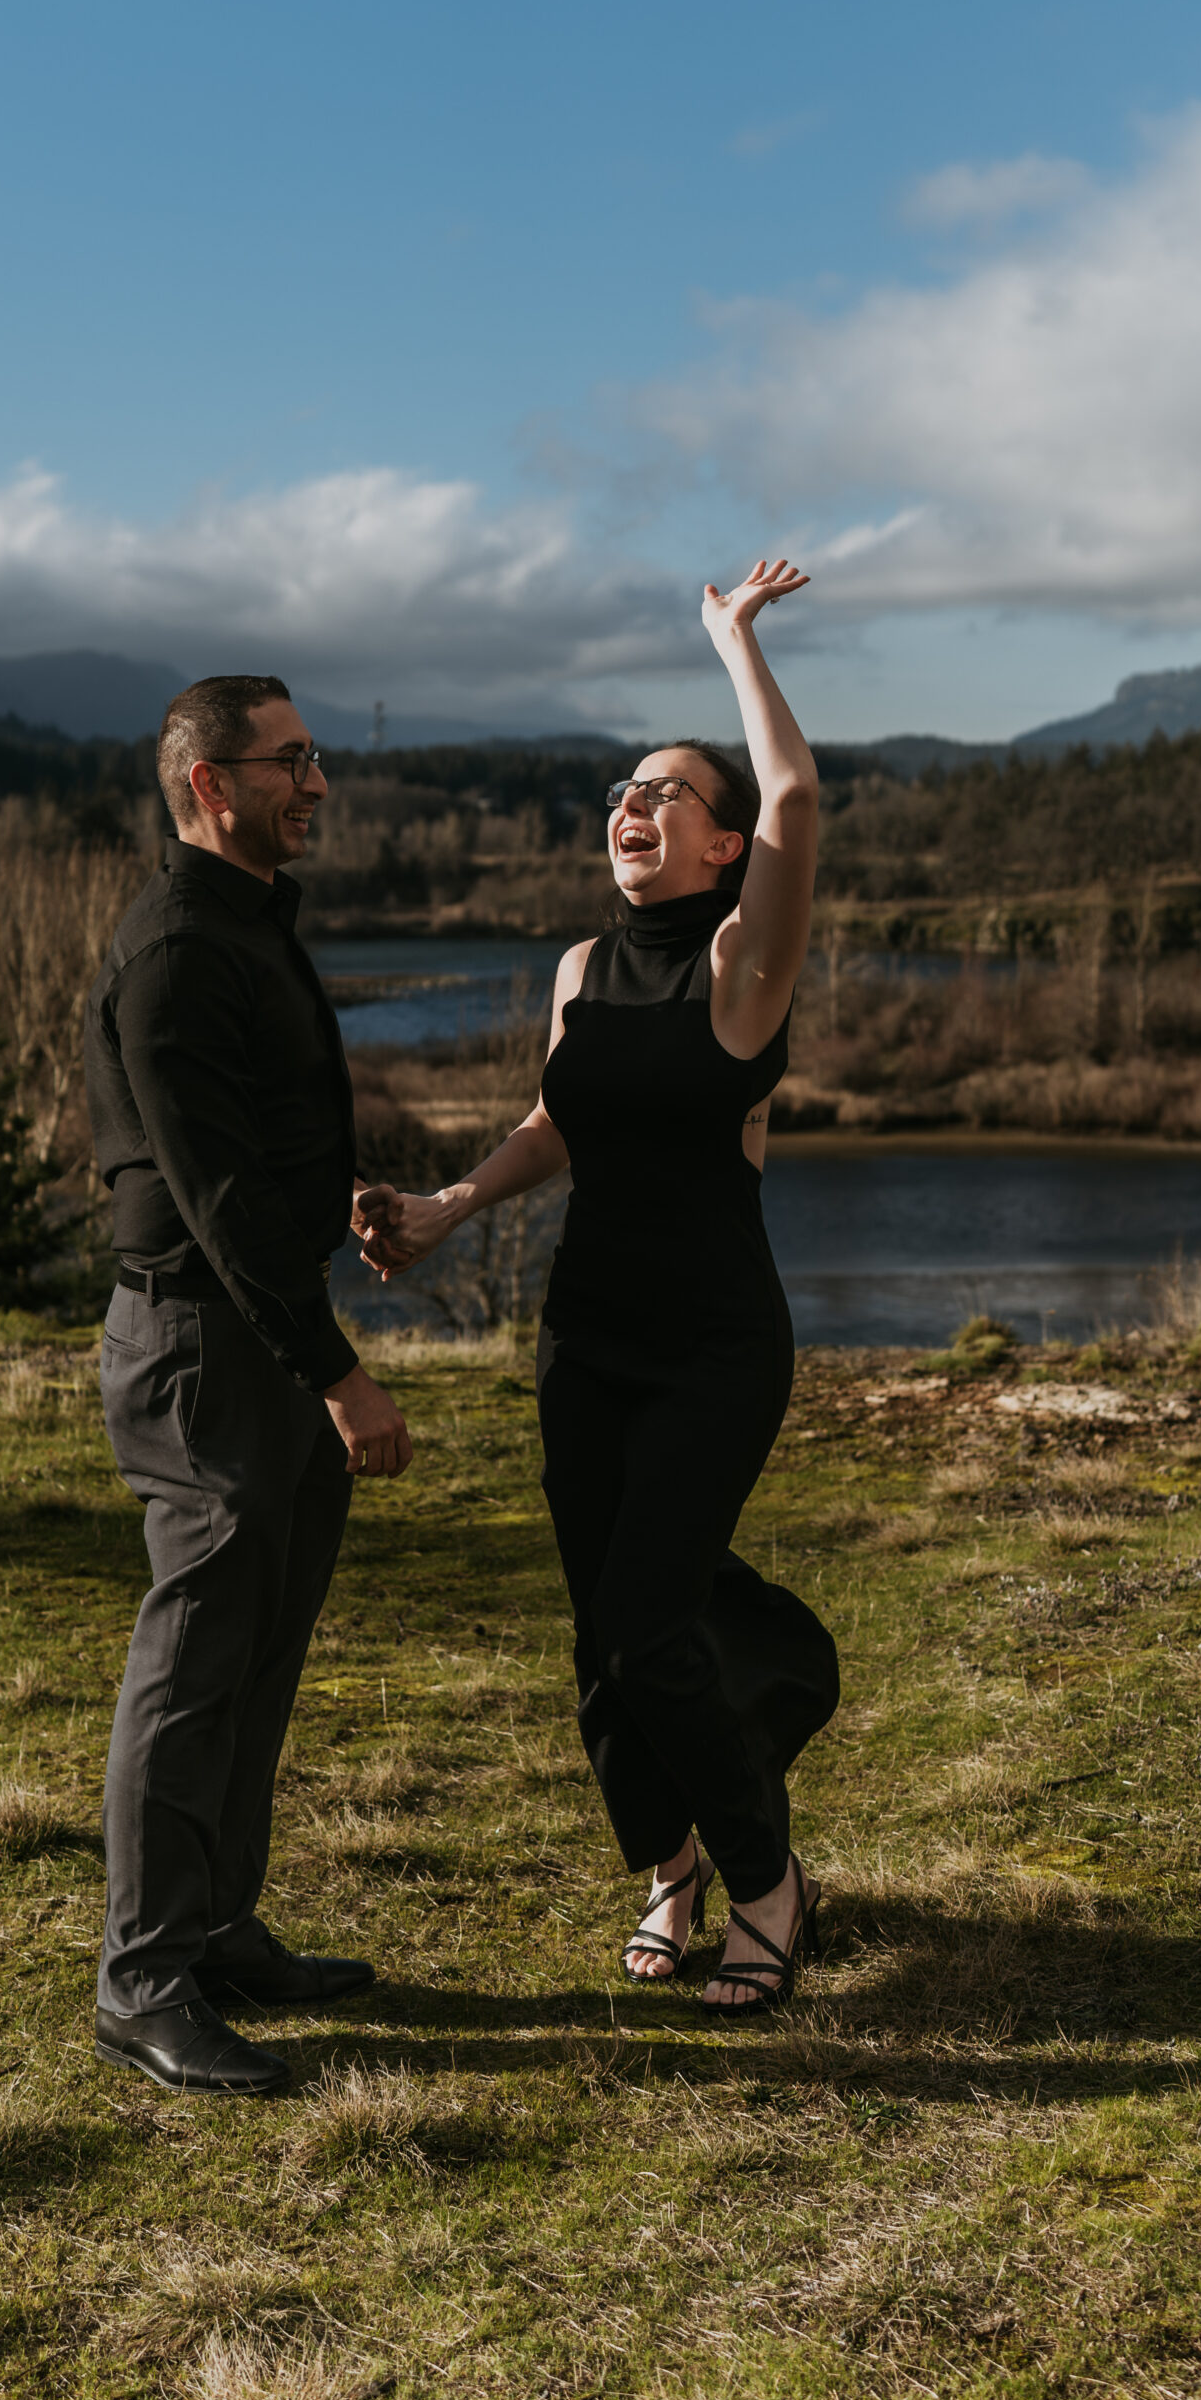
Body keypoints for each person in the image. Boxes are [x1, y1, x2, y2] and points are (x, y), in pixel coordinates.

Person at [360, 563, 839, 2016]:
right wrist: (448, 1205)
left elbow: (803, 805)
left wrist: (728, 638)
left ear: (720, 848)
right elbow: (562, 1121)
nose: (630, 807)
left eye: (666, 794)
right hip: (592, 1341)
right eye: (621, 792)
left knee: (647, 1624)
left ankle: (768, 1884)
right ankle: (669, 1862)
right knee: (604, 1643)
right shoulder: (579, 969)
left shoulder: (741, 972)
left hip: (713, 1348)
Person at [84, 674, 412, 2097]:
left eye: (315, 756)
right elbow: (207, 1199)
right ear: (213, 785)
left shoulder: (248, 930)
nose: (317, 782)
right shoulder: (172, 950)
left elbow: (253, 1145)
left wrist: (339, 1199)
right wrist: (340, 1378)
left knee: (260, 1651)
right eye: (291, 761)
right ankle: (143, 1980)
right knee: (190, 1665)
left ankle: (218, 1928)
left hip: (256, 1333)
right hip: (200, 1351)